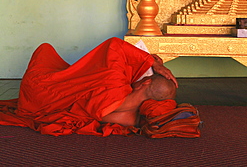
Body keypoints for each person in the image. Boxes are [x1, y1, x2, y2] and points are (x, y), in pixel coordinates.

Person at [0, 37, 177, 136]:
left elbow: (114, 45)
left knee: (44, 49)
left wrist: (152, 62)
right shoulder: (130, 117)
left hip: (41, 90)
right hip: (51, 105)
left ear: (146, 82)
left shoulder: (115, 83)